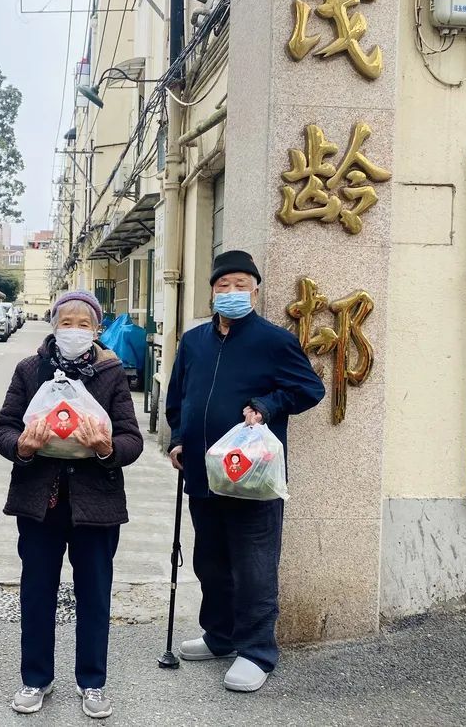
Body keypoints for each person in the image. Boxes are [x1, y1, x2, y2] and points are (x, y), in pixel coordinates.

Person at [165, 250, 325, 693]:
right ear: (212, 290)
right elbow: (178, 398)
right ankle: (220, 637)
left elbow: (310, 388)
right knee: (210, 561)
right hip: (203, 473)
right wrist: (178, 438)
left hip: (253, 476)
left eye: (240, 284)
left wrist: (267, 405)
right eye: (223, 285)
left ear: (255, 289)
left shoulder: (274, 340)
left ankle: (256, 651)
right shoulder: (194, 341)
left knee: (254, 565)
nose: (231, 292)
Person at [0, 291, 143, 720]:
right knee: (37, 592)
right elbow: (3, 428)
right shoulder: (29, 370)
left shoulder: (111, 373)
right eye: (67, 321)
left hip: (96, 505)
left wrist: (105, 448)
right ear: (53, 324)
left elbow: (131, 439)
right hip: (40, 503)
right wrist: (22, 446)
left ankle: (92, 681)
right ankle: (35, 678)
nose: (74, 330)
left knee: (94, 594)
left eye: (84, 323)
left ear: (96, 329)